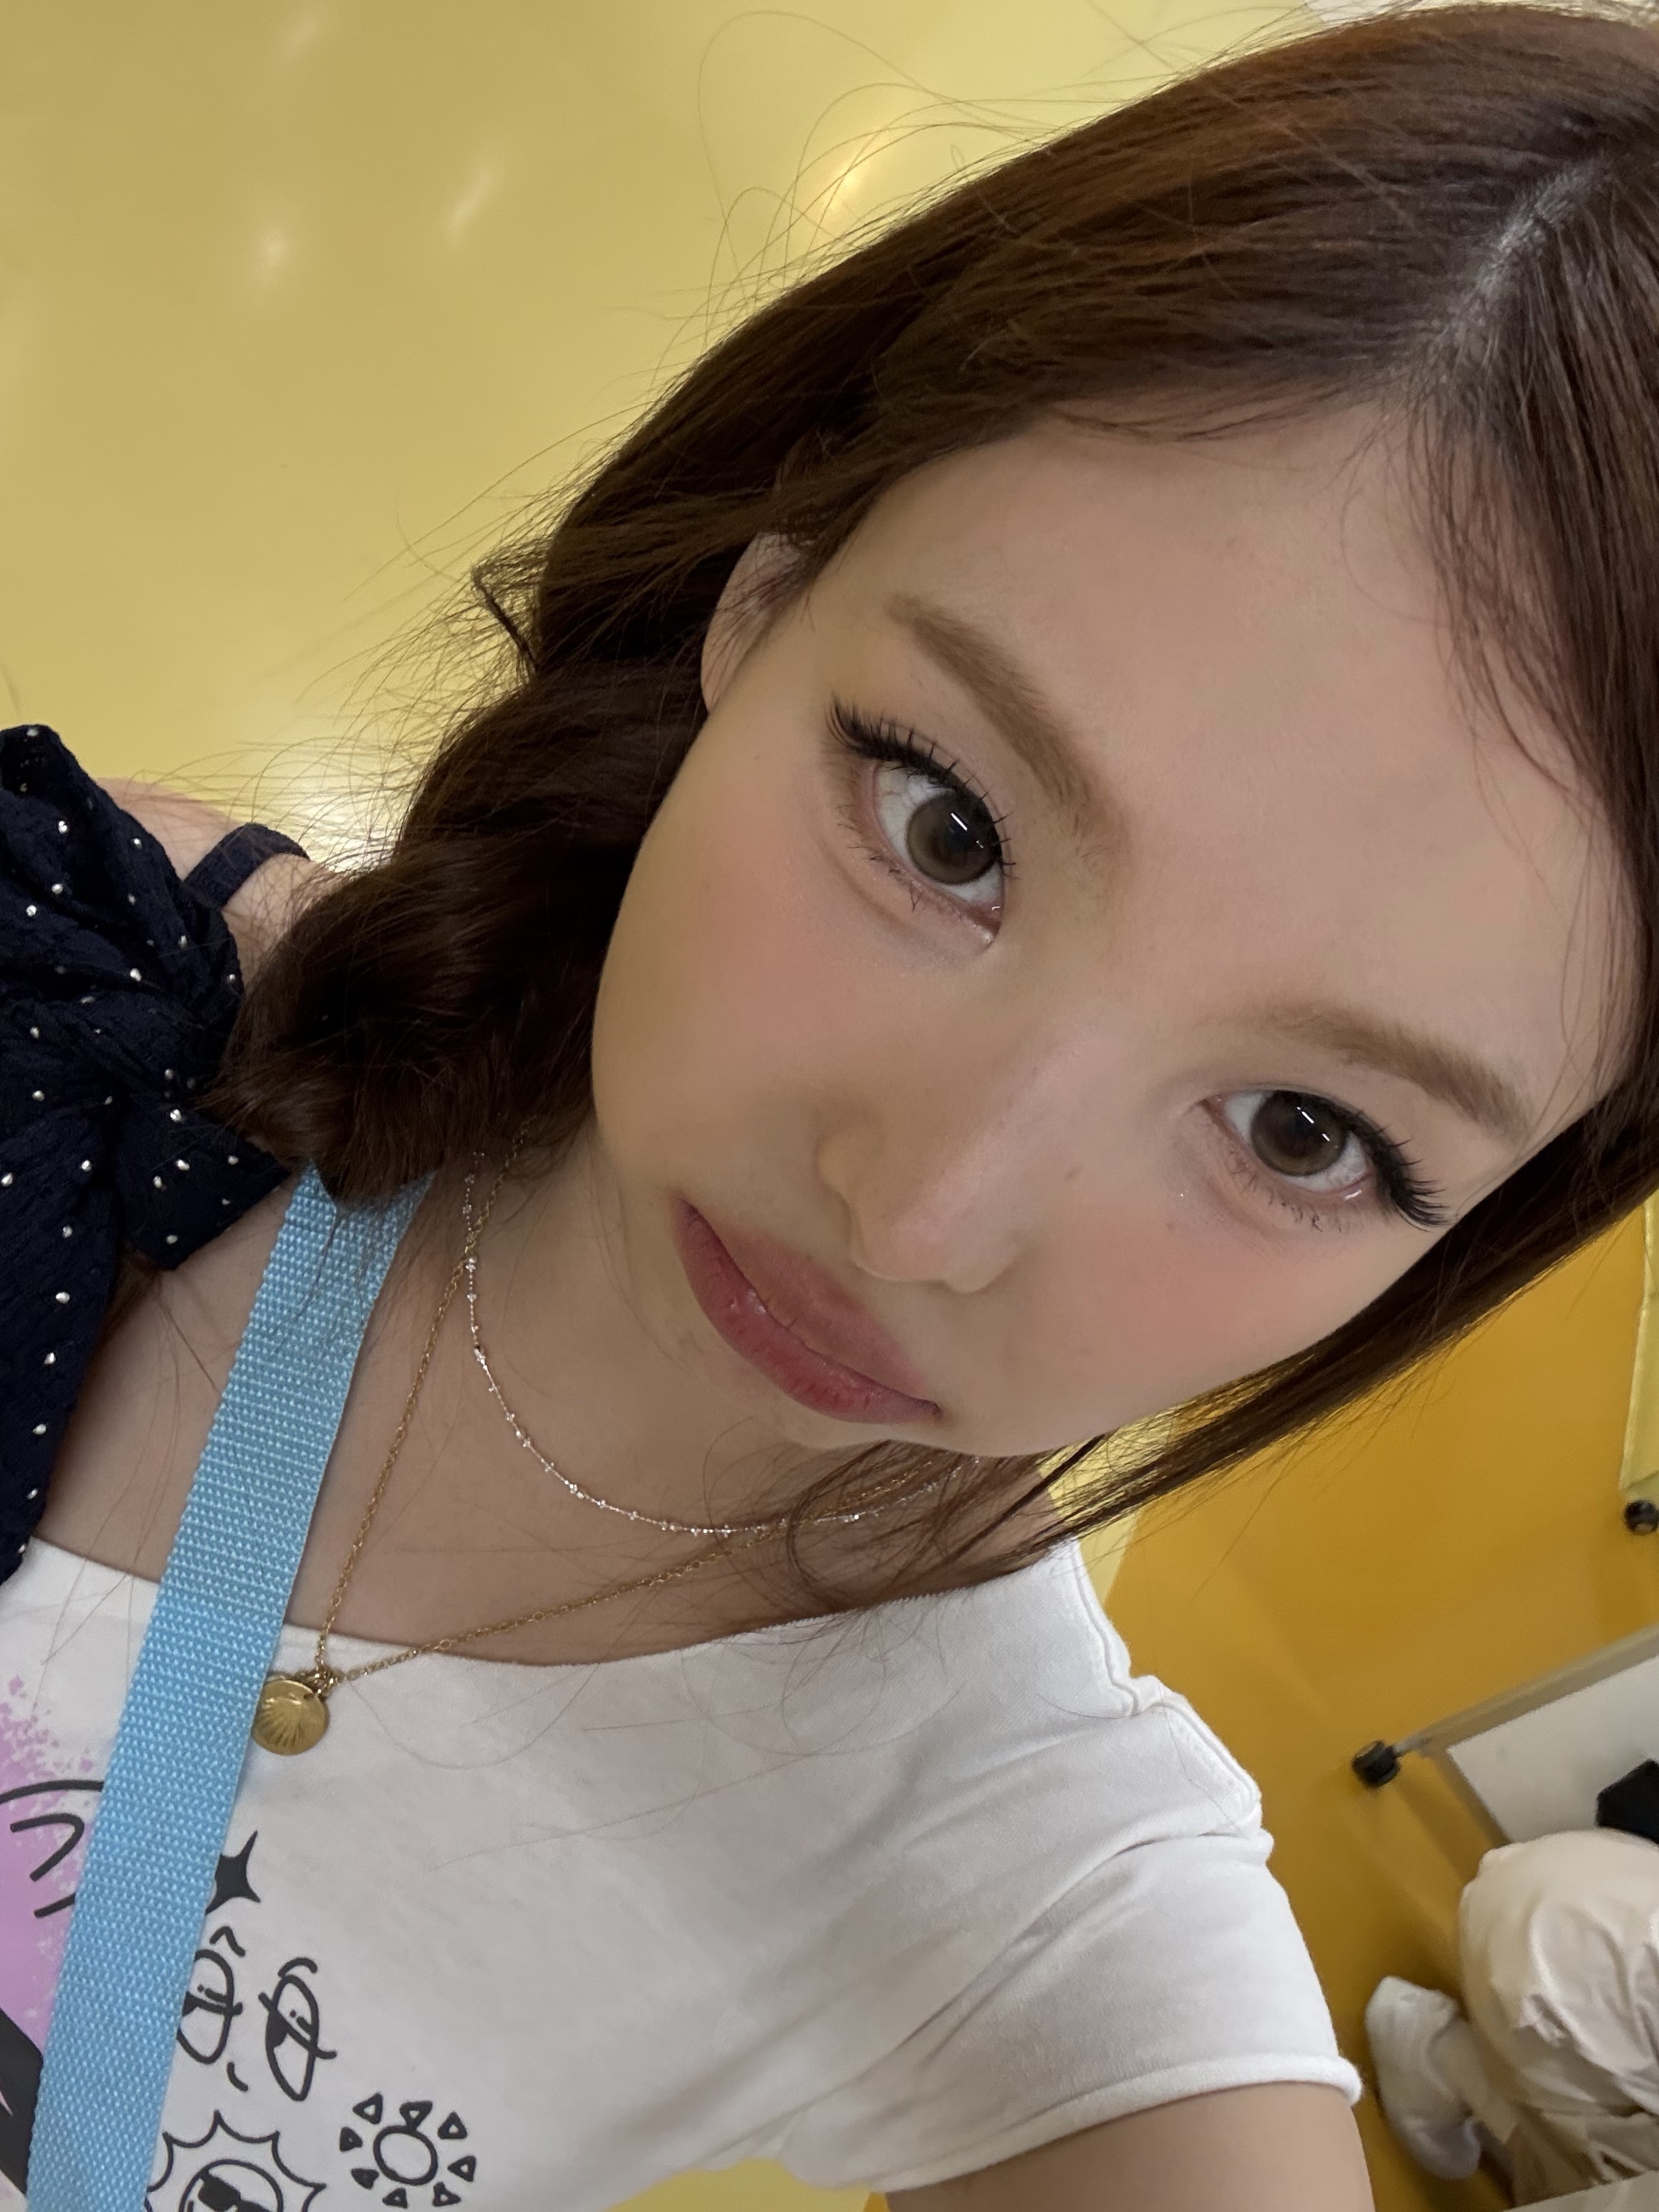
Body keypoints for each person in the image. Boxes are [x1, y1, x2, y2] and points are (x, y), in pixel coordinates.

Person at [4, 4, 1659, 2205]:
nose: (921, 1213)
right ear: (767, 586)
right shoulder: (89, 970)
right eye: (947, 827)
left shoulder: (1039, 1915)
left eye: (1302, 1132)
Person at [1367, 1781, 1659, 2203]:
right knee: (1621, 2197)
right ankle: (1445, 2059)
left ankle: (1487, 2074)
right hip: (1551, 1975)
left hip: (1590, 1872)